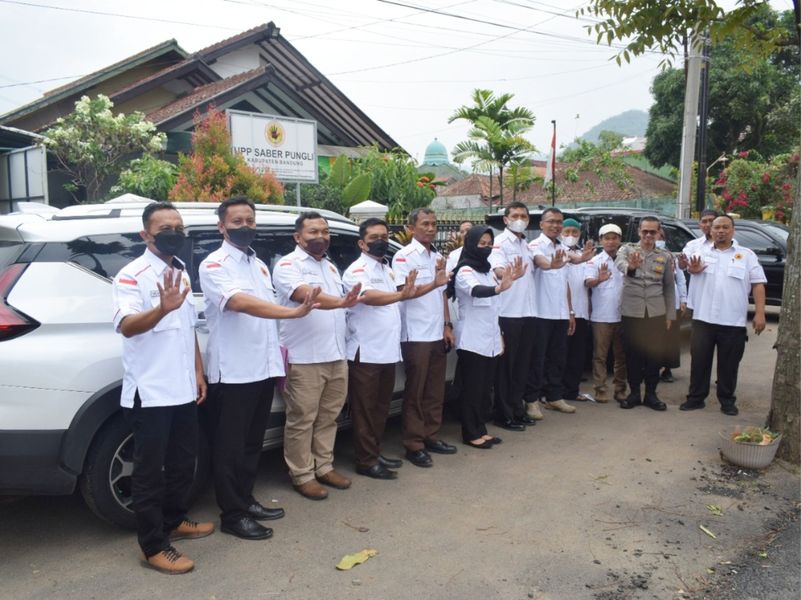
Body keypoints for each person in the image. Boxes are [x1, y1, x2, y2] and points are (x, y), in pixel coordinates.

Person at [199, 197, 320, 539]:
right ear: (221, 226)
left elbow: (263, 309)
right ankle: (233, 515)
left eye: (250, 220)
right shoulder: (214, 264)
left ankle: (246, 499)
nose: (245, 226)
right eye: (236, 221)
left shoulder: (259, 264)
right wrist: (291, 313)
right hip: (235, 371)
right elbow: (238, 302)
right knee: (230, 447)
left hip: (262, 367)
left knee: (252, 443)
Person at [112, 201, 213, 575]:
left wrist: (199, 373)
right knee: (149, 472)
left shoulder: (181, 273)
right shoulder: (131, 275)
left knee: (185, 463)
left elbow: (187, 332)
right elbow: (127, 326)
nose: (175, 234)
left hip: (184, 388)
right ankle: (153, 545)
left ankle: (174, 520)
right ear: (145, 235)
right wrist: (162, 309)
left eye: (179, 228)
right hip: (150, 393)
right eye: (165, 229)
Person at [272, 212, 361, 500]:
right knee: (302, 419)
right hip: (304, 357)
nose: (321, 236)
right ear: (298, 237)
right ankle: (302, 474)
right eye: (313, 232)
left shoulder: (332, 268)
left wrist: (343, 304)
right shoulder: (288, 265)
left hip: (335, 355)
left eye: (324, 231)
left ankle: (323, 466)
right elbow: (303, 295)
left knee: (329, 417)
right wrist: (340, 302)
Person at [343, 218, 418, 480]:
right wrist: (401, 296)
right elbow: (369, 297)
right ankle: (366, 460)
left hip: (386, 350)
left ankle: (373, 451)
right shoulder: (357, 269)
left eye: (385, 236)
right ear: (362, 243)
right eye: (374, 237)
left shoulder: (387, 269)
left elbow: (403, 292)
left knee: (381, 407)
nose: (381, 241)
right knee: (365, 409)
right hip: (367, 350)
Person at [681, 215, 767, 415]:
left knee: (729, 365)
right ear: (710, 231)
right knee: (699, 361)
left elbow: (758, 284)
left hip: (733, 320)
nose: (721, 231)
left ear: (733, 230)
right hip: (703, 319)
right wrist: (689, 268)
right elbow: (683, 264)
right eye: (716, 227)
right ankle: (695, 398)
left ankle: (727, 400)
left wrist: (760, 313)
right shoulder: (698, 251)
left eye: (725, 227)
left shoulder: (746, 255)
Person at [448, 226, 524, 448]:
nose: (487, 248)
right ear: (471, 244)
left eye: (489, 244)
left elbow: (493, 308)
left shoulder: (487, 270)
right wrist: (500, 288)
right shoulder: (464, 270)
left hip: (490, 337)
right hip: (472, 339)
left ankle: (481, 428)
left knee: (484, 389)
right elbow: (476, 291)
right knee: (472, 388)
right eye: (482, 243)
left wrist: (499, 334)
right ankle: (471, 433)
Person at [392, 208, 455, 468]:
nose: (431, 228)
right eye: (425, 224)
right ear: (410, 228)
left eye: (434, 224)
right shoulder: (403, 257)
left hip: (435, 331)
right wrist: (435, 283)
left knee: (434, 389)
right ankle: (414, 444)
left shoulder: (438, 256)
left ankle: (431, 435)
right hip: (415, 333)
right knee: (416, 391)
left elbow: (442, 294)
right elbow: (403, 292)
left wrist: (447, 325)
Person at [525, 208, 592, 417]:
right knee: (538, 360)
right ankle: (532, 400)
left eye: (559, 222)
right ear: (541, 225)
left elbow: (566, 281)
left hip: (561, 313)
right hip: (541, 314)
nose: (556, 225)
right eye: (551, 221)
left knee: (558, 358)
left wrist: (571, 311)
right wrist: (551, 264)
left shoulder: (563, 247)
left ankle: (554, 397)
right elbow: (541, 263)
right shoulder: (535, 246)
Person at [614, 216, 676, 411]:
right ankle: (634, 394)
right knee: (632, 355)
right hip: (632, 311)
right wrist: (631, 267)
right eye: (645, 231)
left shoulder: (665, 255)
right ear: (639, 231)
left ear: (659, 233)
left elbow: (668, 287)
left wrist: (670, 316)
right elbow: (621, 265)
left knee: (654, 356)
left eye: (653, 232)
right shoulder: (627, 249)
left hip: (656, 312)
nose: (648, 235)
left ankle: (651, 394)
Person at [489, 202, 538, 430]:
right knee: (506, 368)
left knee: (521, 366)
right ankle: (503, 413)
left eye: (523, 215)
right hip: (508, 312)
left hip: (527, 311)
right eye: (515, 215)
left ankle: (517, 410)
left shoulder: (525, 244)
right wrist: (508, 273)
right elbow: (497, 270)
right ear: (506, 219)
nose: (520, 218)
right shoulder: (499, 243)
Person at [584, 224, 627, 403]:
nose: (610, 241)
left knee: (621, 356)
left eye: (614, 238)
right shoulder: (594, 261)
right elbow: (587, 282)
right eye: (607, 238)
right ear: (601, 241)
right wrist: (598, 280)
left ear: (620, 240)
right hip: (601, 317)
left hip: (624, 316)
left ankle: (620, 389)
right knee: (600, 356)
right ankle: (600, 389)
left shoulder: (627, 261)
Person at [560, 218, 594, 403]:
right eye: (567, 232)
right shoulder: (559, 255)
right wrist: (569, 311)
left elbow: (587, 285)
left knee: (577, 355)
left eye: (575, 232)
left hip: (581, 313)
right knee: (560, 355)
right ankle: (554, 393)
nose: (571, 236)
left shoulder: (585, 256)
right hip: (563, 313)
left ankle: (572, 391)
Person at [656, 227, 687, 383]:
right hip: (652, 301)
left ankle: (667, 369)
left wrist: (683, 299)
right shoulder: (640, 254)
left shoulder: (671, 256)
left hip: (671, 301)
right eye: (655, 235)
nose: (657, 239)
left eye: (661, 236)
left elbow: (680, 279)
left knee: (670, 337)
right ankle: (651, 368)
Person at [678, 209, 718, 310]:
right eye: (704, 221)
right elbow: (682, 265)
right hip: (698, 302)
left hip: (721, 301)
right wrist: (682, 263)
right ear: (699, 225)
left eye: (711, 221)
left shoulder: (731, 246)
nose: (708, 224)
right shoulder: (692, 245)